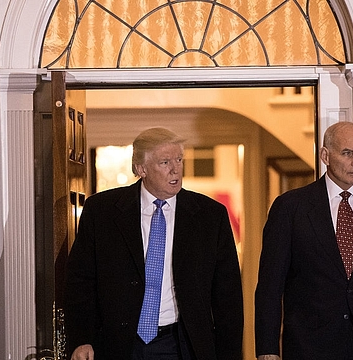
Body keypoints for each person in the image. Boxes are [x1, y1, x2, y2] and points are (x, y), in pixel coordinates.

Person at [65, 127, 244, 360]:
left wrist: (229, 354)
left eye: (179, 159)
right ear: (141, 169)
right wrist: (81, 339)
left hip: (181, 344)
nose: (176, 169)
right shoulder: (102, 211)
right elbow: (81, 281)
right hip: (118, 344)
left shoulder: (210, 215)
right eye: (165, 162)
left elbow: (227, 294)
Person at [255, 121, 353, 360]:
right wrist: (268, 349)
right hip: (309, 348)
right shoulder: (291, 208)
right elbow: (270, 285)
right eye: (347, 153)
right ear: (325, 156)